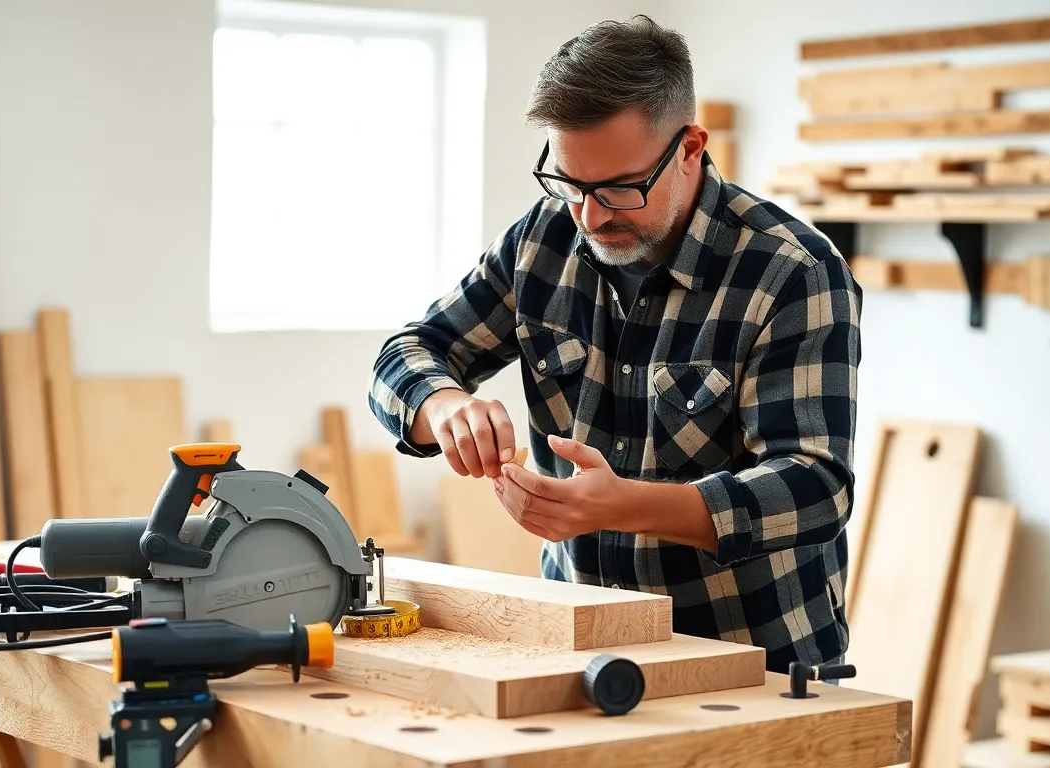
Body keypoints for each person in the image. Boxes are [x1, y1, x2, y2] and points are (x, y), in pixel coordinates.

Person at [366, 14, 862, 674]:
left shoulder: (792, 272)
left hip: (753, 655)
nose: (590, 216)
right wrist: (445, 408)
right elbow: (407, 354)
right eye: (569, 184)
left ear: (690, 147)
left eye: (620, 189)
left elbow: (813, 488)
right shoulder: (542, 239)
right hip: (579, 646)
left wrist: (630, 507)